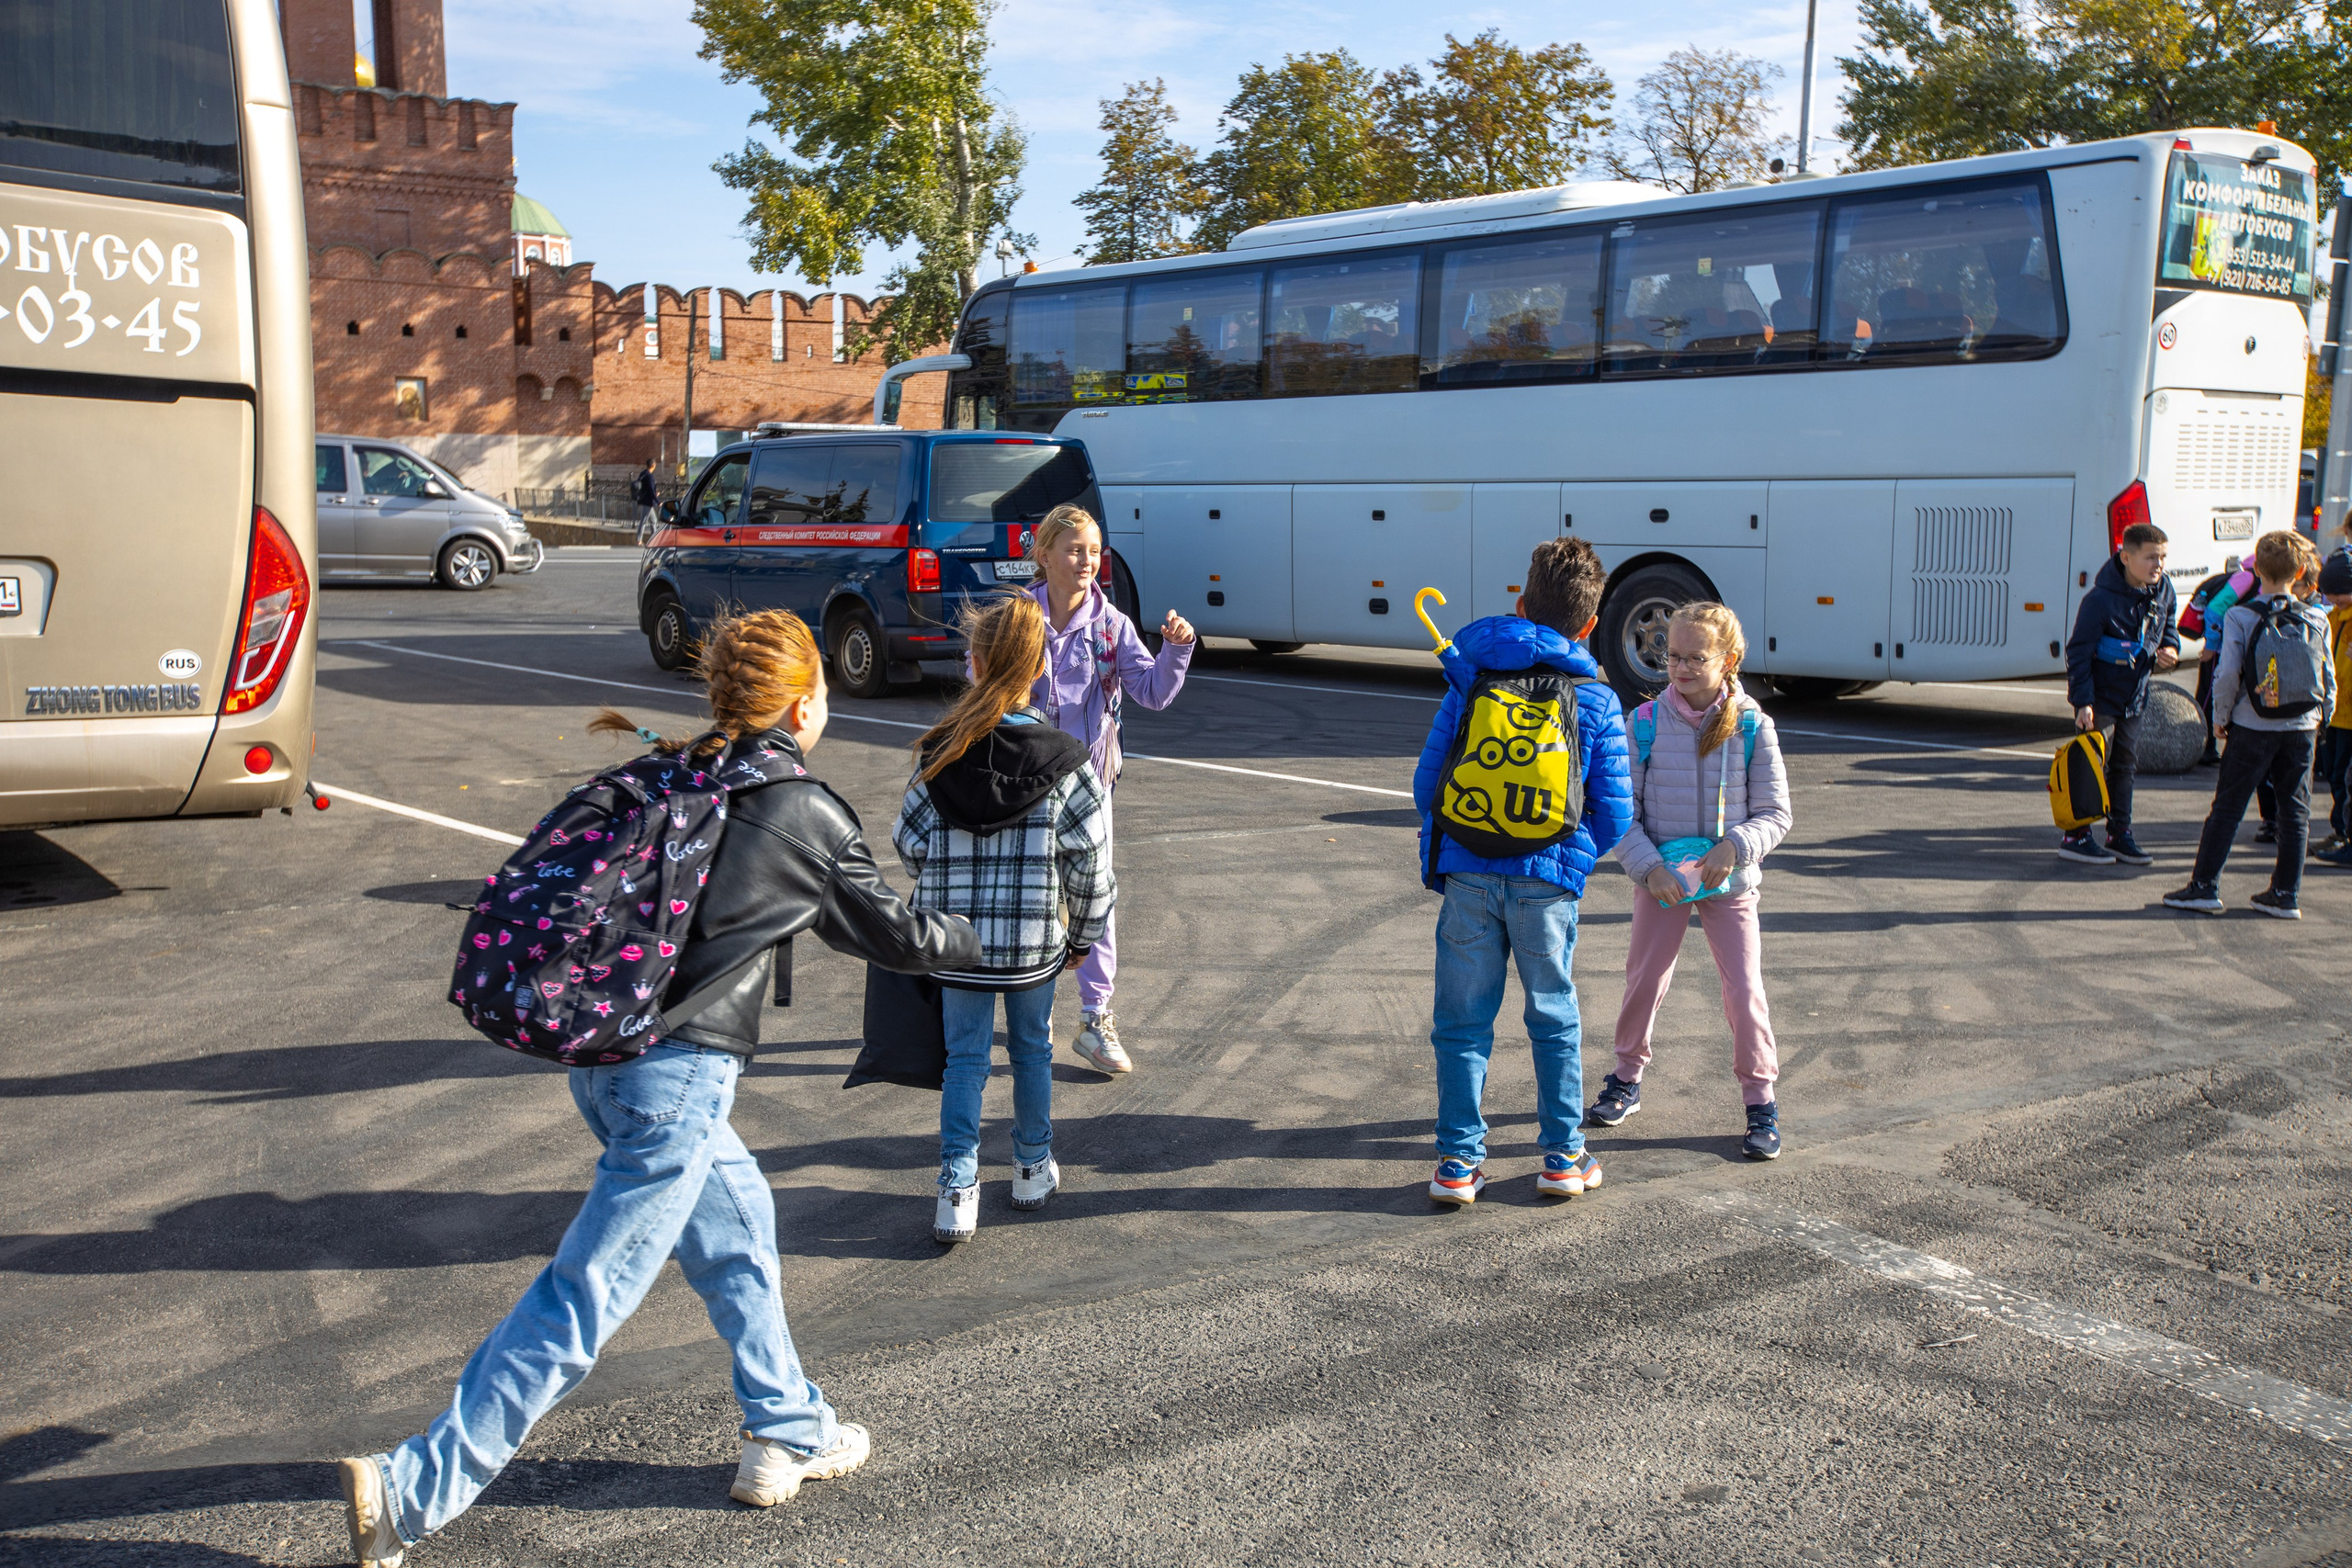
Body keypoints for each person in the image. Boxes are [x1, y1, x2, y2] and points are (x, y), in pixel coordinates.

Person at [336, 610, 978, 1568]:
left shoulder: (675, 773)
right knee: (580, 1300)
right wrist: (983, 939)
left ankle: (788, 1427)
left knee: (739, 1233)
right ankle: (414, 1490)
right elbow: (891, 936)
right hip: (677, 1087)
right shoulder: (799, 808)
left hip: (606, 1066)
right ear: (804, 702)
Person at [1411, 536, 1631, 1205]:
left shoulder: (1476, 678)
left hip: (1471, 874)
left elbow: (1428, 785)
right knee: (1554, 1015)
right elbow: (1614, 814)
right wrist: (1571, 854)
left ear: (1520, 604)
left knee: (1462, 1021)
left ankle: (1456, 1163)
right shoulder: (1595, 697)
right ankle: (1563, 1156)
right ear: (1590, 625)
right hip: (1548, 882)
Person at [896, 592, 1116, 1244]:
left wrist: (945, 883)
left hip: (957, 943)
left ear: (978, 663)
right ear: (1039, 664)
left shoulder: (940, 750)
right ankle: (1029, 1166)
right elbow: (1092, 865)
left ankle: (957, 1188)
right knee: (1032, 1050)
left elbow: (909, 840)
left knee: (963, 1060)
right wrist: (1082, 935)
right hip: (1032, 945)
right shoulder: (1067, 761)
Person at [1594, 602, 1794, 1160]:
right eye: (1671, 656)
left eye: (1695, 658)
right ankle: (1626, 1078)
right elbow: (1618, 814)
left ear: (1728, 659)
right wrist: (1648, 868)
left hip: (1729, 883)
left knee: (1745, 990)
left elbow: (1777, 813)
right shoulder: (1644, 724)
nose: (1679, 667)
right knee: (1645, 981)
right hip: (1662, 881)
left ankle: (1760, 1101)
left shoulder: (1752, 724)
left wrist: (1735, 846)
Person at [1023, 503, 1194, 1074]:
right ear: (1044, 554)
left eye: (1094, 551)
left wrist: (1176, 648)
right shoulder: (1018, 620)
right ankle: (1035, 1017)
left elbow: (1152, 693)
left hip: (1090, 788)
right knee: (1037, 900)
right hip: (1023, 785)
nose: (1087, 561)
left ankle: (1096, 1019)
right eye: (1074, 550)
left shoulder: (1111, 625)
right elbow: (985, 685)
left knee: (1096, 901)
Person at [2165, 531, 2335, 918]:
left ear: (2256, 569)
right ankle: (2286, 893)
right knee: (2295, 812)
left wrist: (2220, 719)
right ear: (2301, 572)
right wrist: (2322, 714)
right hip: (2302, 725)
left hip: (2252, 723)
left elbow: (2226, 676)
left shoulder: (2241, 616)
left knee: (2227, 807)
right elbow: (2327, 672)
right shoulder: (2316, 616)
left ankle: (2205, 887)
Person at [2060, 521, 2181, 864]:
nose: (2159, 565)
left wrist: (2170, 646)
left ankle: (2119, 834)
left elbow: (2167, 622)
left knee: (2124, 765)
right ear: (2125, 557)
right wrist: (2082, 702)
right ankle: (2076, 836)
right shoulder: (2099, 600)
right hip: (2100, 698)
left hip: (2135, 696)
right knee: (2091, 761)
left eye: (2163, 557)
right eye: (2151, 557)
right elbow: (2079, 651)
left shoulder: (2163, 589)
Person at [2313, 547, 2352, 865]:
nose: (2335, 599)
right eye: (2330, 594)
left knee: (2348, 778)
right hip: (2335, 714)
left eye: (2341, 594)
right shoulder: (2330, 618)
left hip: (2351, 714)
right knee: (2337, 776)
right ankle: (2341, 831)